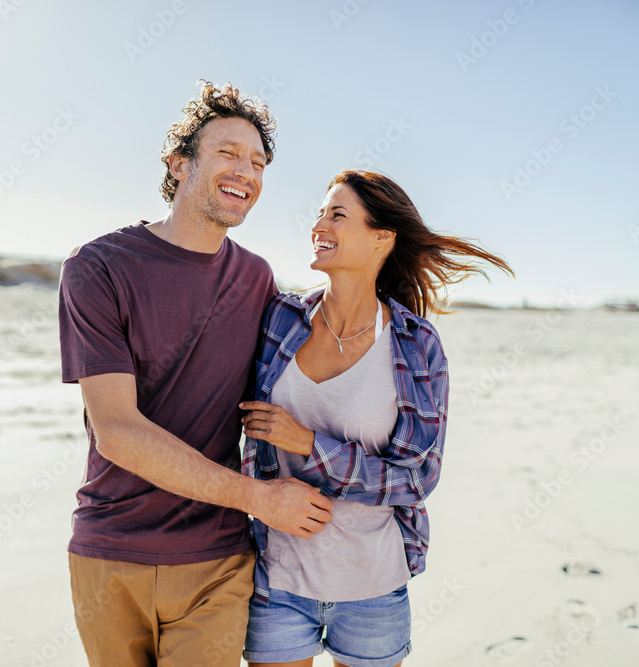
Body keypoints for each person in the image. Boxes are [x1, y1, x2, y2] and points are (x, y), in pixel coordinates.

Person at [57, 81, 333, 667]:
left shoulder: (257, 279)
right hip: (111, 553)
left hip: (216, 561)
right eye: (229, 153)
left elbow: (328, 342)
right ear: (179, 163)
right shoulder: (98, 267)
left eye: (258, 162)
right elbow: (118, 432)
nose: (248, 172)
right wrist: (261, 498)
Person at [240, 170, 513, 667]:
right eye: (320, 212)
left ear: (382, 237)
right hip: (278, 577)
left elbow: (417, 479)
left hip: (372, 585)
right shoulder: (278, 319)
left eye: (337, 214)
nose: (318, 224)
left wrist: (308, 444)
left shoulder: (415, 344)